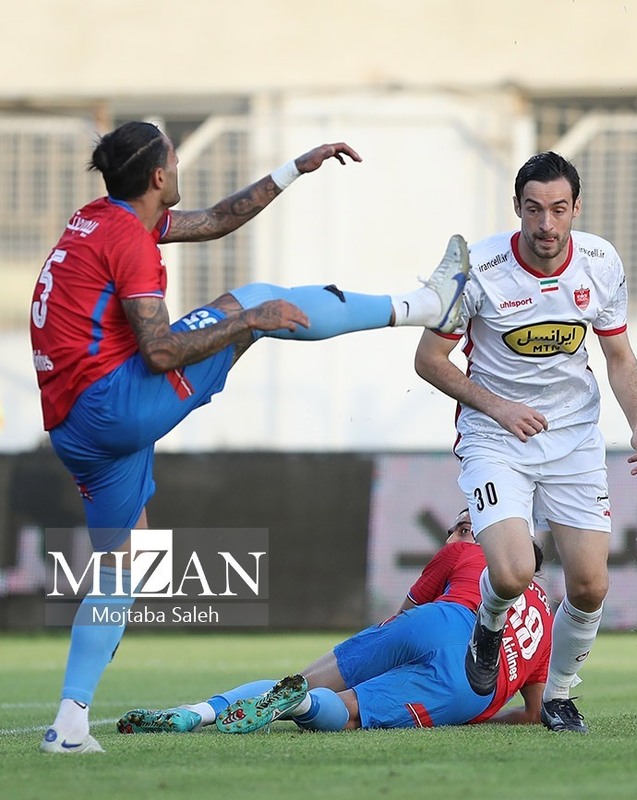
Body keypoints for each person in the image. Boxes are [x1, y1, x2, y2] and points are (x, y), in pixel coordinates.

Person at [33, 121, 471, 754]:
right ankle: (426, 306)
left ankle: (70, 723)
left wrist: (294, 169)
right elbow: (160, 352)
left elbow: (216, 221)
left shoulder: (100, 219)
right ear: (158, 175)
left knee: (122, 566)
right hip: (115, 405)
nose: (179, 167)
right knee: (256, 301)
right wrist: (251, 321)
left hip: (75, 428)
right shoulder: (129, 240)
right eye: (174, 159)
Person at [414, 151, 637, 734]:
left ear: (576, 208)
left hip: (573, 438)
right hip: (494, 435)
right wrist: (499, 407)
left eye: (558, 209)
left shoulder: (600, 263)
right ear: (517, 209)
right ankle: (488, 625)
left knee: (590, 585)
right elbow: (428, 359)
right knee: (512, 572)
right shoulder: (479, 270)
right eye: (533, 209)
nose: (546, 224)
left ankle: (559, 695)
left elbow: (619, 355)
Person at [116, 510, 552, 734]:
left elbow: (404, 617)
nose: (456, 535)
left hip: (440, 621)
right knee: (349, 713)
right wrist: (471, 715)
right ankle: (300, 707)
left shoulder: (467, 552)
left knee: (299, 681)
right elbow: (535, 714)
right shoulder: (546, 621)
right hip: (474, 688)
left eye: (465, 527)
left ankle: (194, 713)